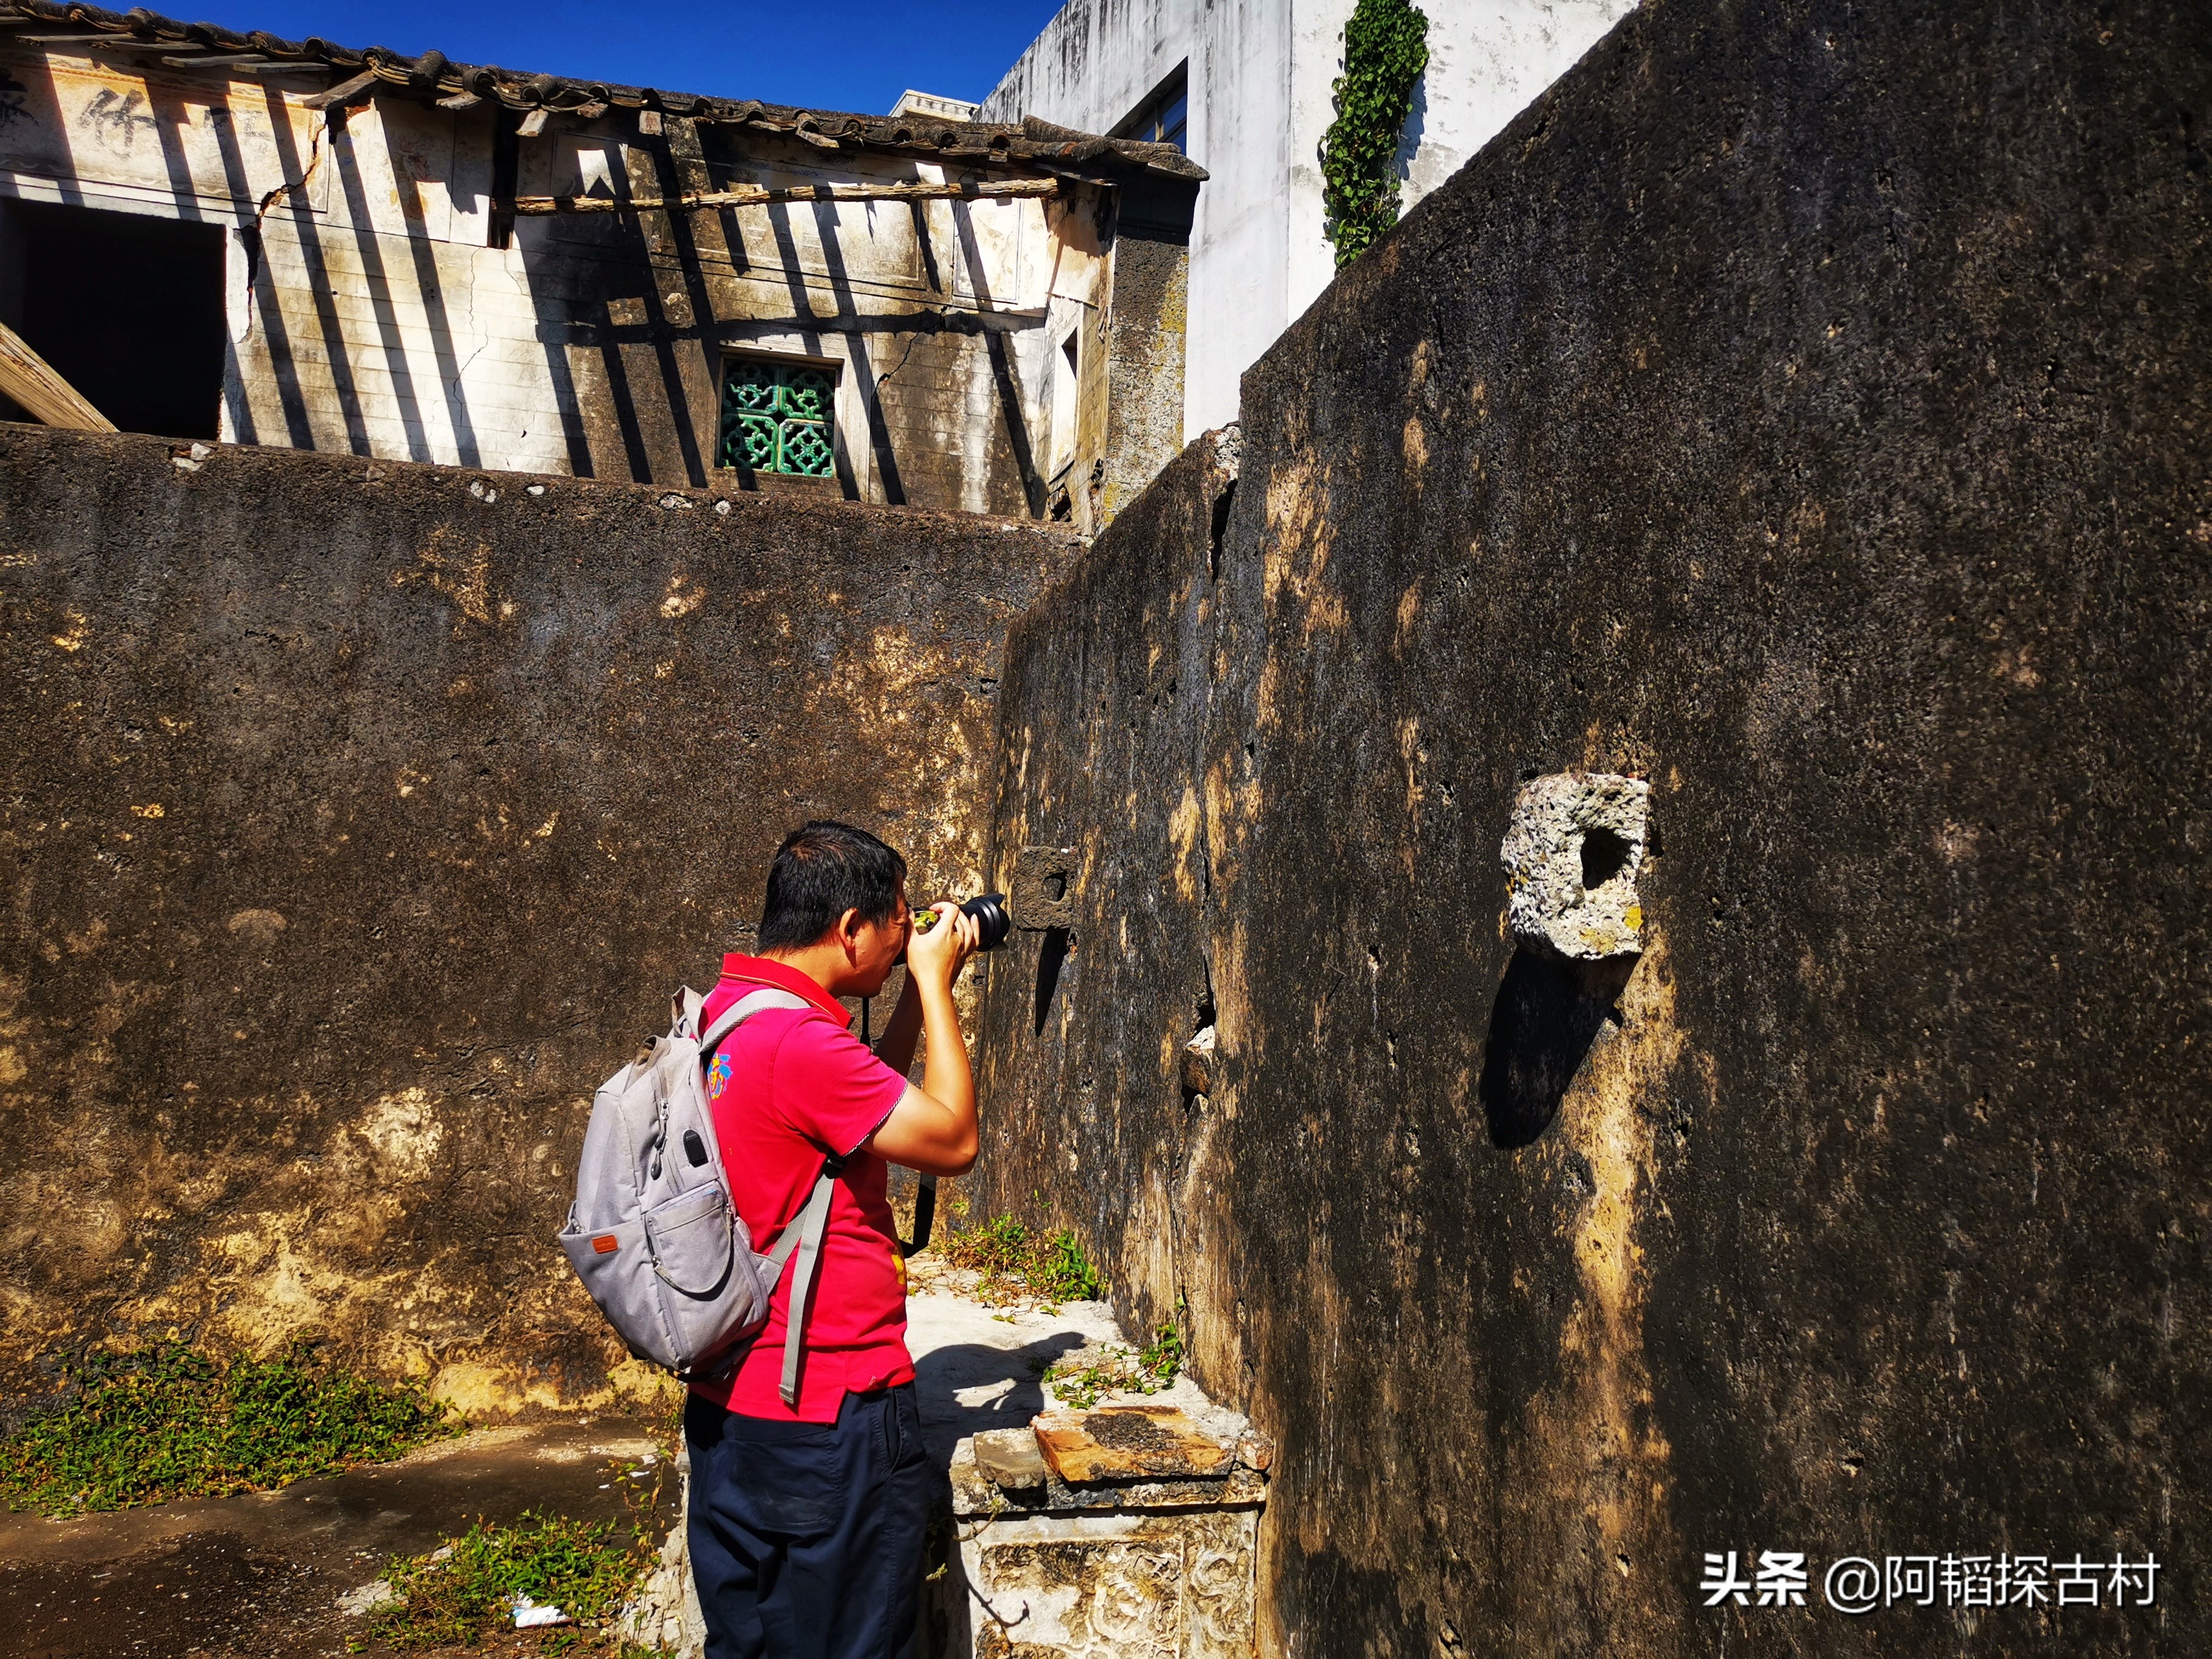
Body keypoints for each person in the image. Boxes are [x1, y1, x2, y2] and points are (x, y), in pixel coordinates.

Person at [685, 818, 982, 1659]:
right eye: (896, 923)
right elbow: (953, 1140)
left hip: (731, 1409)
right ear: (849, 929)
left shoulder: (731, 1015)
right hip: (826, 1420)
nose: (902, 941)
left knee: (751, 1643)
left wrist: (913, 996)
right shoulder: (801, 1045)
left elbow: (860, 1102)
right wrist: (937, 984)